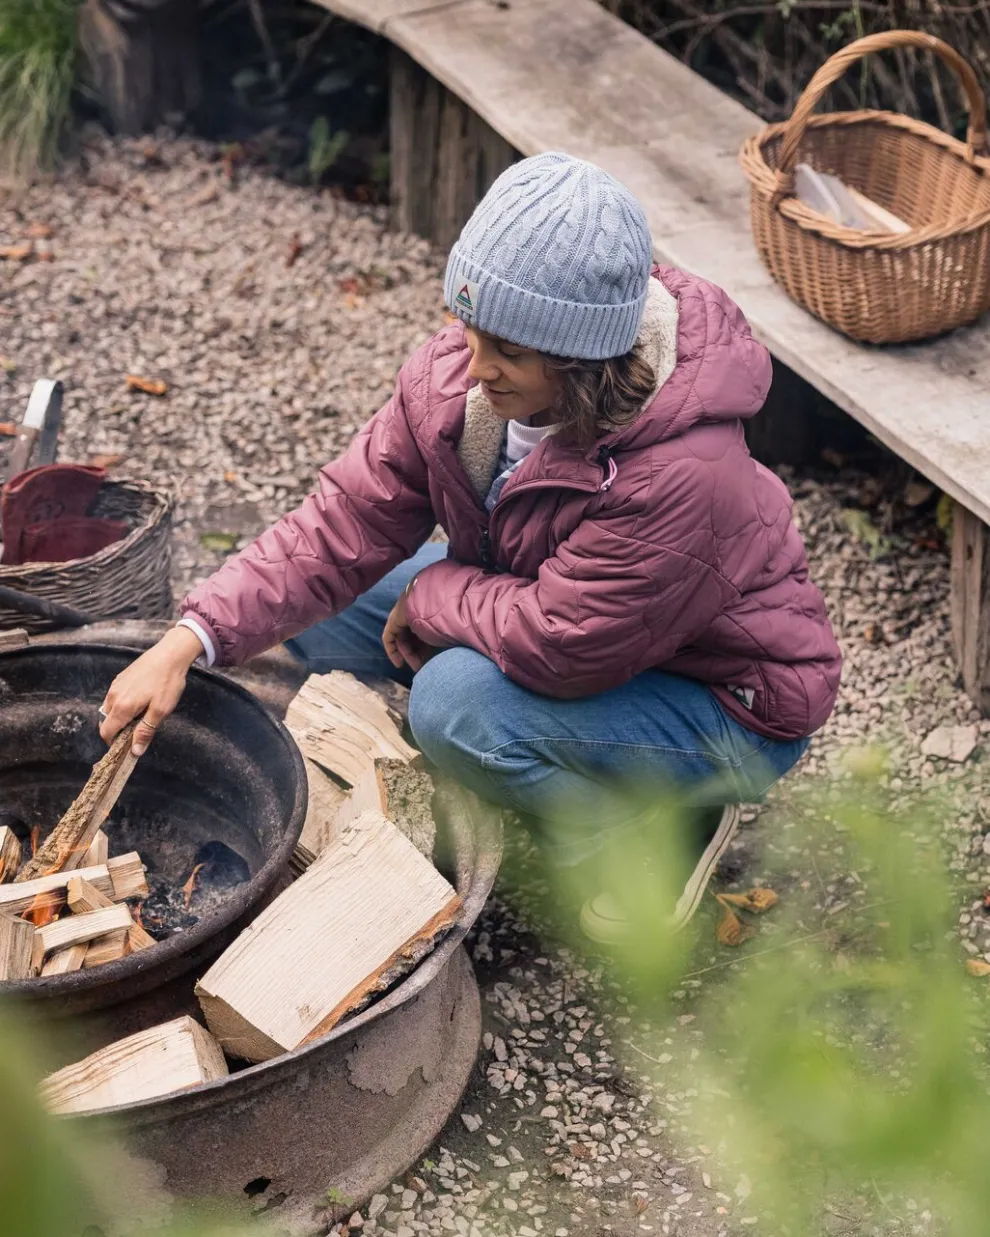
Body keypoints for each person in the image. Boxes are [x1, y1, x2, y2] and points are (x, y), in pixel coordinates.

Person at [99, 153, 841, 942]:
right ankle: (524, 764)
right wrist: (191, 638)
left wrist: (432, 598)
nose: (473, 366)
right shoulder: (471, 375)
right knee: (335, 600)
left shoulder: (681, 471)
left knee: (453, 705)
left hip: (722, 698)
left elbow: (563, 644)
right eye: (470, 328)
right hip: (564, 606)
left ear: (582, 356)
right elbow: (342, 522)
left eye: (508, 352)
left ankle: (654, 834)